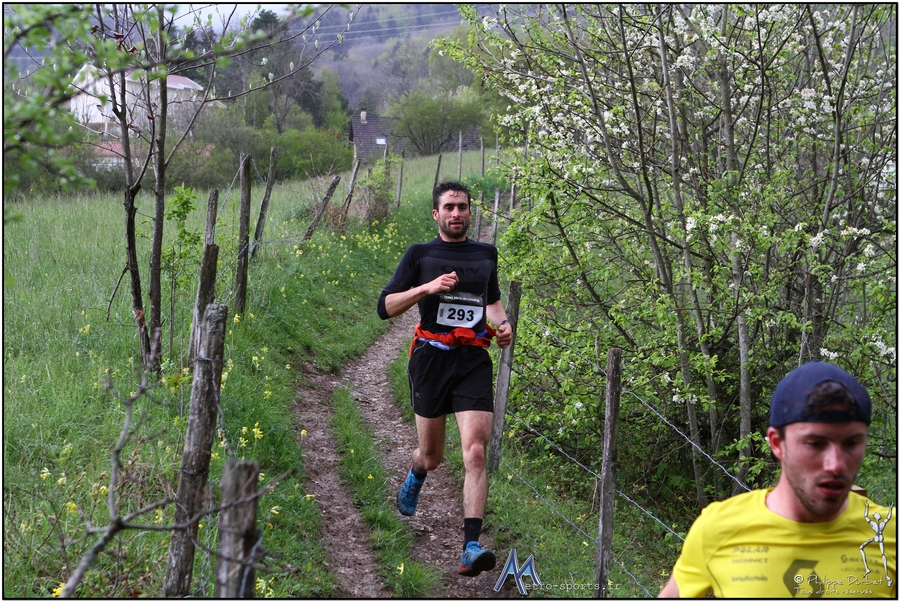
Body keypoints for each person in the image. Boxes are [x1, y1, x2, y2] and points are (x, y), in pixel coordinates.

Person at [659, 361, 896, 598]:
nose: (835, 464)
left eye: (852, 443)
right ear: (776, 443)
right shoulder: (718, 527)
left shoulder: (891, 534)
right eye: (815, 443)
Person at [376, 181, 513, 577]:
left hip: (472, 360)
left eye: (463, 207)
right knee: (433, 456)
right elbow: (385, 307)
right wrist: (427, 288)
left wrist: (503, 325)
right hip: (430, 360)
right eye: (449, 207)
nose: (456, 213)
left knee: (475, 452)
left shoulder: (486, 254)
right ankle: (417, 470)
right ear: (436, 214)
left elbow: (491, 300)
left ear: (470, 212)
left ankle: (470, 546)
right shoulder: (420, 254)